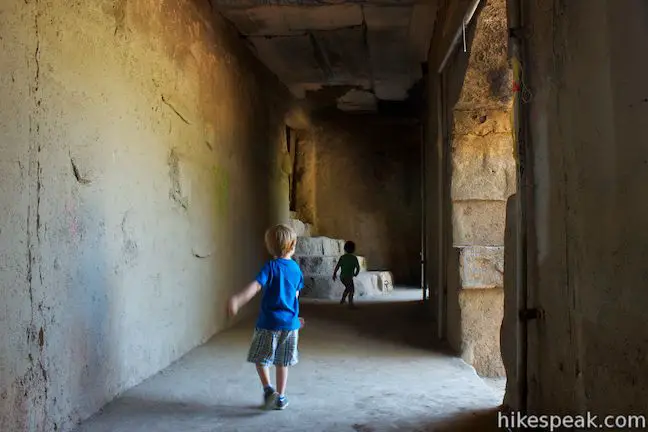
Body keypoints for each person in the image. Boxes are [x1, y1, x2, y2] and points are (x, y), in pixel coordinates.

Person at [227, 224, 305, 411]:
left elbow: (255, 286)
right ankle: (281, 397)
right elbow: (294, 296)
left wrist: (238, 300)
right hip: (289, 325)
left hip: (268, 323)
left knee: (261, 358)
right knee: (282, 363)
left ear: (269, 247)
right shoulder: (296, 269)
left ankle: (268, 389)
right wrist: (295, 318)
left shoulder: (270, 267)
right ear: (293, 245)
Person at [332, 241, 361, 308]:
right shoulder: (354, 258)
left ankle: (343, 300)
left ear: (345, 249)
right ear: (354, 249)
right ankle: (350, 303)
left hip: (342, 277)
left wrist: (334, 274)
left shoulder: (342, 257)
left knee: (348, 288)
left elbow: (337, 266)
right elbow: (358, 267)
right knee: (352, 290)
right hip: (349, 277)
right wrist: (356, 274)